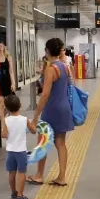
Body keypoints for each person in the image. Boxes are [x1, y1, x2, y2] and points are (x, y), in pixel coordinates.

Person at [28, 38, 73, 186]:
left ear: (47, 51)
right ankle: (62, 177)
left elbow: (45, 95)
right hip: (64, 107)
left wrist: (35, 116)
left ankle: (39, 175)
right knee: (60, 143)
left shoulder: (51, 69)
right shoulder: (65, 67)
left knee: (43, 141)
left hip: (52, 109)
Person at [1, 94, 36, 199]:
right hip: (21, 152)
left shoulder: (6, 120)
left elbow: (3, 135)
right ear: (20, 105)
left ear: (6, 108)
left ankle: (13, 193)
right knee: (22, 173)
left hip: (10, 151)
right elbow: (34, 131)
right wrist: (33, 122)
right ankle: (20, 195)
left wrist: (3, 119)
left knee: (11, 173)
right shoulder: (24, 119)